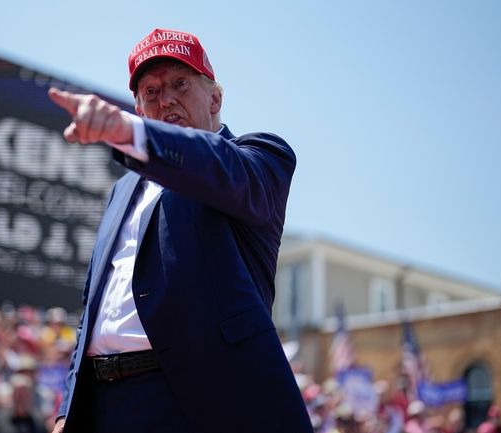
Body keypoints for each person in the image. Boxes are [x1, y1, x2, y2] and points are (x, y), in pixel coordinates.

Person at [47, 28, 311, 433]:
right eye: (150, 93)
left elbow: (213, 166)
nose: (165, 99)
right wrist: (69, 408)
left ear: (216, 98)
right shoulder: (121, 191)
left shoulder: (257, 158)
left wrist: (130, 134)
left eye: (180, 84)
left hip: (197, 401)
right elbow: (93, 308)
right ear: (138, 107)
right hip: (104, 404)